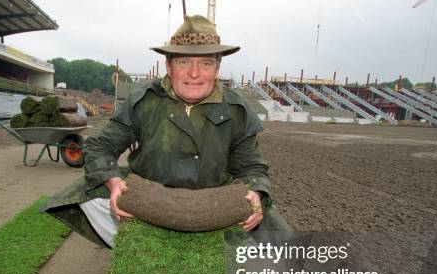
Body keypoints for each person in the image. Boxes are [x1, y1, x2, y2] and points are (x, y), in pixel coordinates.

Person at [41, 15, 290, 248]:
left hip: (212, 202)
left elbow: (252, 168)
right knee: (86, 194)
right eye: (184, 62)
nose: (194, 73)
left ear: (217, 69)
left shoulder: (238, 109)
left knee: (267, 226)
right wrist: (114, 182)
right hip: (150, 197)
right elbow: (100, 148)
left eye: (205, 63)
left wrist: (255, 192)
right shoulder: (144, 99)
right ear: (169, 67)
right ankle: (136, 243)